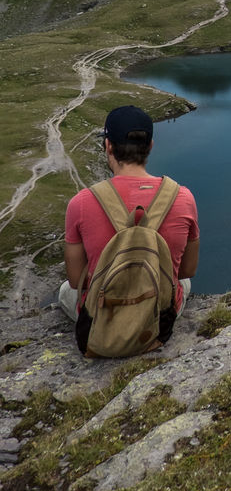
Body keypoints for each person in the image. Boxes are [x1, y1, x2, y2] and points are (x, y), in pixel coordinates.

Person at [59, 105, 199, 328]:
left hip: (103, 320)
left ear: (108, 146)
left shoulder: (81, 202)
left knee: (65, 290)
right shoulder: (183, 197)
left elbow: (76, 280)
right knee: (184, 282)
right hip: (158, 320)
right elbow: (187, 269)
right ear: (150, 146)